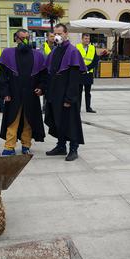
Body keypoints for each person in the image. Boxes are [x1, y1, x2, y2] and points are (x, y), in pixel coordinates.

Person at [0, 29, 47, 155]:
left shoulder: (38, 55)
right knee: (12, 120)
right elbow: (2, 77)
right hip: (14, 94)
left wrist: (41, 87)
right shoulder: (8, 54)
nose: (25, 40)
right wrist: (5, 92)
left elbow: (43, 75)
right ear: (16, 39)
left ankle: (26, 145)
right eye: (22, 38)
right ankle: (9, 146)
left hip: (31, 94)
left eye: (27, 38)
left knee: (28, 120)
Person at [44, 23, 86, 162]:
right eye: (55, 34)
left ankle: (73, 148)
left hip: (68, 94)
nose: (57, 36)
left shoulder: (73, 51)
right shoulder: (55, 51)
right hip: (55, 94)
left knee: (71, 122)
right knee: (58, 121)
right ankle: (61, 146)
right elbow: (49, 72)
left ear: (66, 34)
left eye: (60, 33)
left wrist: (69, 98)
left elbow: (75, 78)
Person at [76, 34, 99, 113]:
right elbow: (75, 60)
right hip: (79, 73)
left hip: (89, 73)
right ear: (82, 39)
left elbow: (95, 61)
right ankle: (77, 108)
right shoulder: (77, 47)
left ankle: (88, 108)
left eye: (88, 39)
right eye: (85, 39)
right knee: (78, 92)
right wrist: (82, 68)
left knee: (88, 92)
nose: (87, 40)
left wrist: (87, 68)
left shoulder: (92, 48)